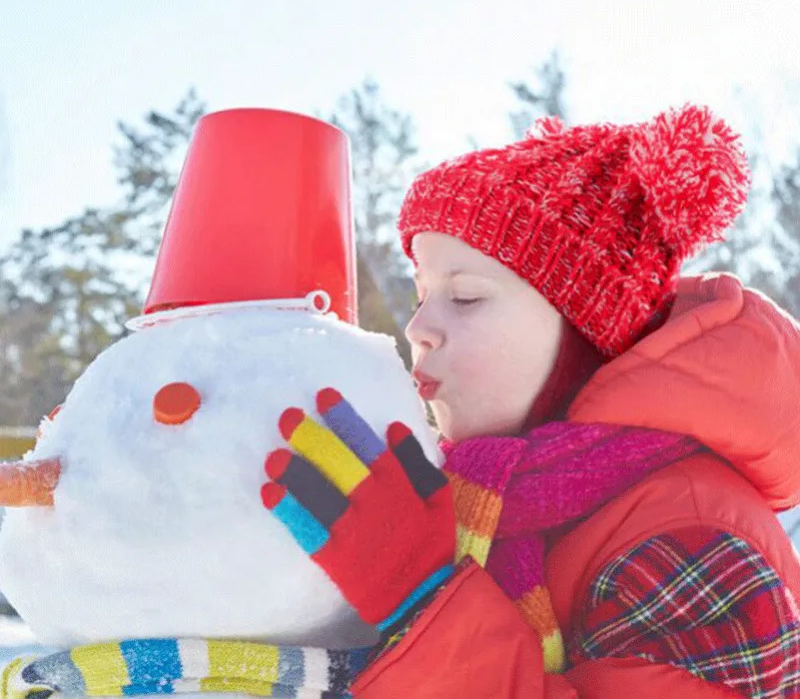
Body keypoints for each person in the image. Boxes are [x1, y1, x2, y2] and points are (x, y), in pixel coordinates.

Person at [263, 104, 800, 698]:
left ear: (584, 331)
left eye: (464, 297)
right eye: (421, 298)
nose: (418, 328)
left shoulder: (690, 531)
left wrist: (422, 596)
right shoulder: (494, 497)